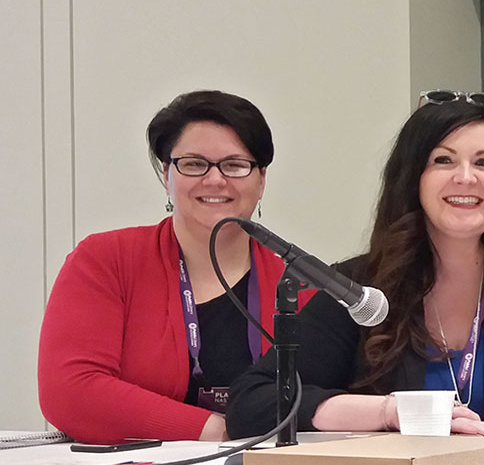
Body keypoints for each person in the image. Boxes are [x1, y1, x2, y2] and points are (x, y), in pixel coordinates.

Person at [227, 90, 484, 450]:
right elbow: (254, 402)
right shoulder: (362, 287)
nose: (466, 178)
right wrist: (387, 412)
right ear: (413, 178)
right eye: (443, 160)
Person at [38, 90, 311, 443]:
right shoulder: (106, 261)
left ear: (261, 180)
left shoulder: (299, 287)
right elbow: (70, 392)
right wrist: (218, 429)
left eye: (235, 164)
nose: (215, 180)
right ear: (167, 174)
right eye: (194, 164)